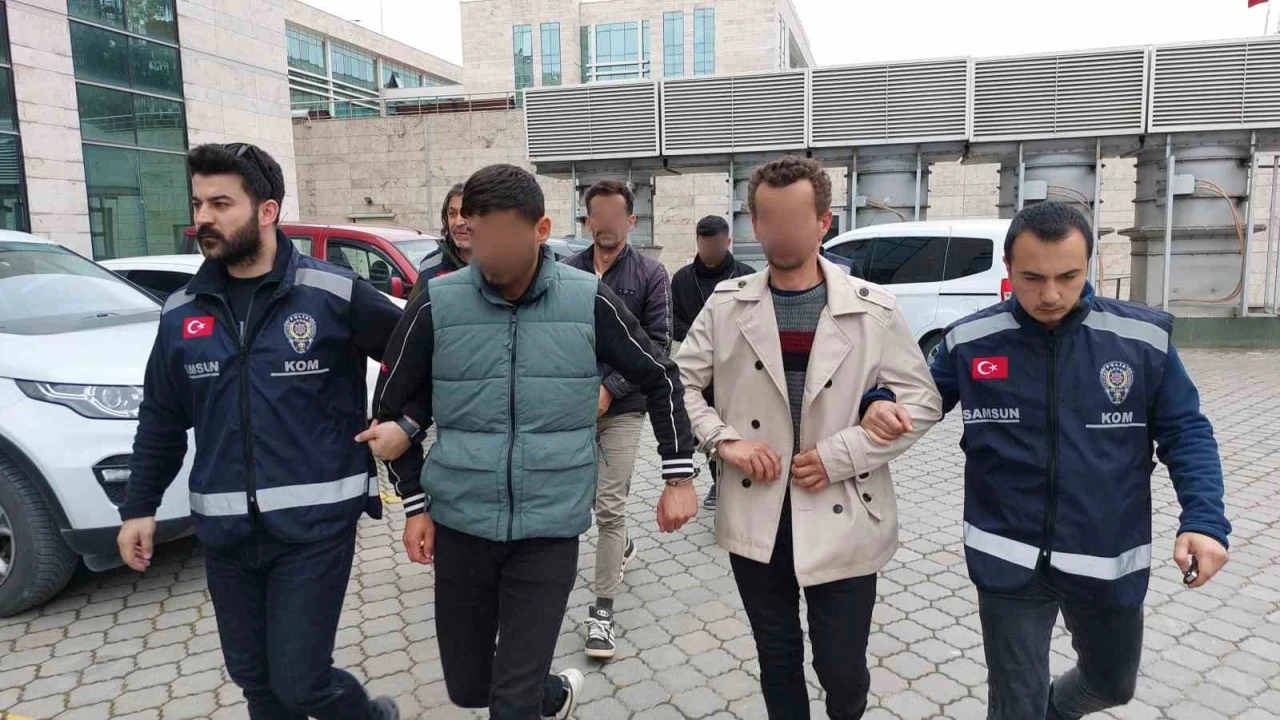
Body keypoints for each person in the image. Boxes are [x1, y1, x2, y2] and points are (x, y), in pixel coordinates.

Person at [860, 201, 1232, 720]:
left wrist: (1204, 521)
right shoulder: (970, 341)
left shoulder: (1142, 340)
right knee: (1017, 705)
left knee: (1112, 684)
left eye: (1068, 276)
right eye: (1033, 278)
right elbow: (916, 397)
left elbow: (1186, 431)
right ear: (1008, 268)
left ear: (1090, 266)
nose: (1051, 294)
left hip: (1106, 552)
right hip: (1007, 555)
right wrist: (877, 399)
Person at [359, 164, 700, 719]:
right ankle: (552, 694)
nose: (486, 254)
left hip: (550, 525)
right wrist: (415, 504)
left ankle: (526, 693)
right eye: (475, 235)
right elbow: (391, 409)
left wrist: (678, 475)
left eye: (501, 238)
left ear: (541, 229)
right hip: (462, 522)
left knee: (509, 704)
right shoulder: (437, 303)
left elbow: (659, 375)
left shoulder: (587, 299)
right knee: (469, 686)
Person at [117, 143, 403, 720]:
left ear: (267, 211)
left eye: (221, 203)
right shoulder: (181, 310)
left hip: (314, 525)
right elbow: (162, 416)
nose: (203, 218)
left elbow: (415, 356)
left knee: (301, 683)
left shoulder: (333, 293)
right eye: (198, 203)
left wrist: (404, 421)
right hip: (225, 531)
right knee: (255, 681)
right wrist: (139, 506)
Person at [674, 155, 943, 720]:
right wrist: (724, 442)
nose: (780, 232)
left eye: (796, 218)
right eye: (767, 218)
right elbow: (682, 384)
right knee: (776, 656)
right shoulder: (726, 305)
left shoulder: (872, 309)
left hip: (844, 509)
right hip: (758, 510)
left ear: (824, 221)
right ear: (753, 222)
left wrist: (843, 453)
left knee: (841, 666)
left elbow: (923, 402)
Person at [560, 179, 674, 660]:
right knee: (582, 498)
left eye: (615, 215)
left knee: (610, 506)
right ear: (588, 221)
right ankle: (621, 544)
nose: (606, 223)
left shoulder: (651, 274)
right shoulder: (565, 272)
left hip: (625, 408)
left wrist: (610, 388)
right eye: (597, 215)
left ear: (631, 220)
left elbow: (659, 344)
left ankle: (602, 613)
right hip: (571, 407)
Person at [670, 214, 756, 510]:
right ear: (698, 242)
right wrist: (700, 338)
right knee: (707, 427)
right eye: (705, 245)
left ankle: (740, 481)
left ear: (727, 241)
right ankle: (718, 483)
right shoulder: (682, 279)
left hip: (739, 369)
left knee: (740, 426)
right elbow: (672, 320)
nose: (710, 251)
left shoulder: (746, 276)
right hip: (701, 370)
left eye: (717, 245)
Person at [411, 183, 470, 298]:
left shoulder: (500, 266)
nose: (458, 222)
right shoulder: (431, 266)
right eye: (452, 214)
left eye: (466, 213)